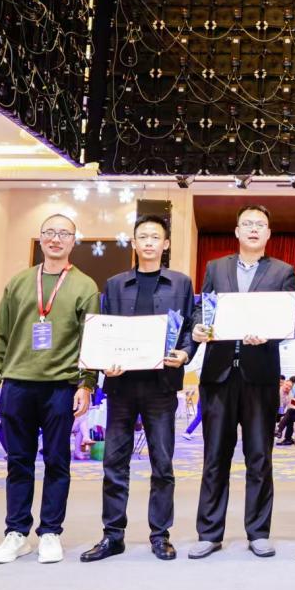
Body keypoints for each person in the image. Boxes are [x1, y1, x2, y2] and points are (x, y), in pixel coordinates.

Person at [0, 213, 98, 564]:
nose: (56, 239)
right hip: (17, 385)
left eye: (64, 233)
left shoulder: (85, 286)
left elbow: (90, 340)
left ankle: (50, 532)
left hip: (60, 387)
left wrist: (86, 384)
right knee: (18, 461)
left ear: (74, 240)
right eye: (49, 232)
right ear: (41, 238)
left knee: (57, 461)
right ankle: (16, 532)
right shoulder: (18, 283)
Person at [81, 214, 195, 563]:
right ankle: (112, 535)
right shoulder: (115, 284)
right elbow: (104, 330)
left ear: (166, 244)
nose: (148, 242)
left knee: (163, 465)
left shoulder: (180, 283)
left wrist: (185, 353)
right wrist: (104, 361)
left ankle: (160, 536)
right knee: (114, 464)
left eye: (155, 237)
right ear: (134, 242)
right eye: (142, 236)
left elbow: (190, 327)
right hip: (121, 386)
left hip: (162, 387)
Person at [189, 204, 295, 559]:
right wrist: (198, 327)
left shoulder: (282, 272)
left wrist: (269, 334)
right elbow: (202, 309)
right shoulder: (215, 268)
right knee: (214, 457)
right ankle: (209, 532)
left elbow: (289, 318)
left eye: (260, 224)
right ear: (236, 231)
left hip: (260, 376)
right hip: (218, 375)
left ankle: (258, 532)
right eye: (247, 224)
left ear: (268, 233)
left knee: (259, 457)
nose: (253, 229)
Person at [277, 377, 295, 444]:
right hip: (273, 411)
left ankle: (281, 432)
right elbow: (280, 406)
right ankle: (286, 437)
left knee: (290, 414)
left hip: (283, 412)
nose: (287, 387)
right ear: (283, 384)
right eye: (286, 385)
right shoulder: (278, 391)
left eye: (290, 386)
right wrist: (282, 414)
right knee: (289, 414)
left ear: (291, 388)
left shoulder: (290, 394)